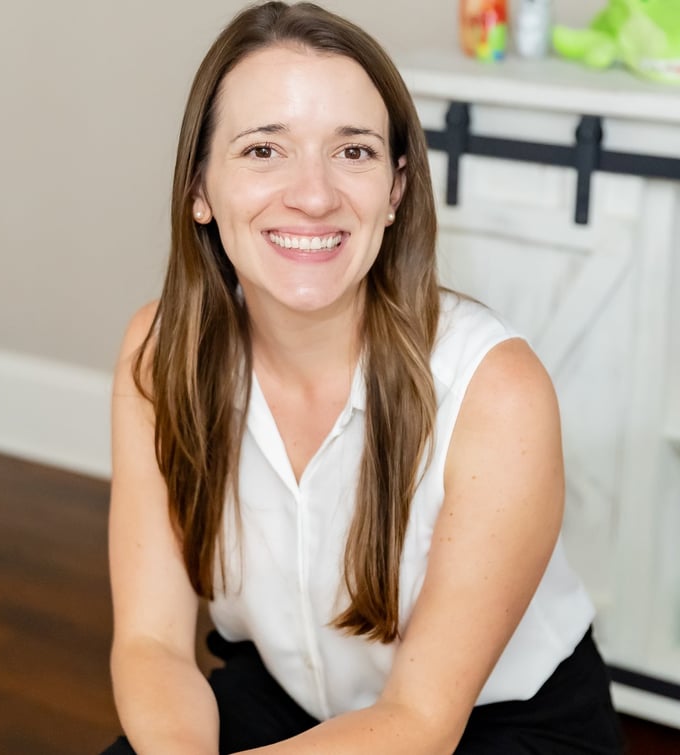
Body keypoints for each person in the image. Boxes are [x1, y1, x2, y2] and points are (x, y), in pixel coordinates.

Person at [102, 2, 624, 753]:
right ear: (200, 190)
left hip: (493, 722)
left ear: (395, 190)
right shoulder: (161, 354)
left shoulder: (495, 391)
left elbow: (419, 723)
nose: (314, 195)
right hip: (286, 698)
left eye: (353, 152)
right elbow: (151, 643)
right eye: (263, 150)